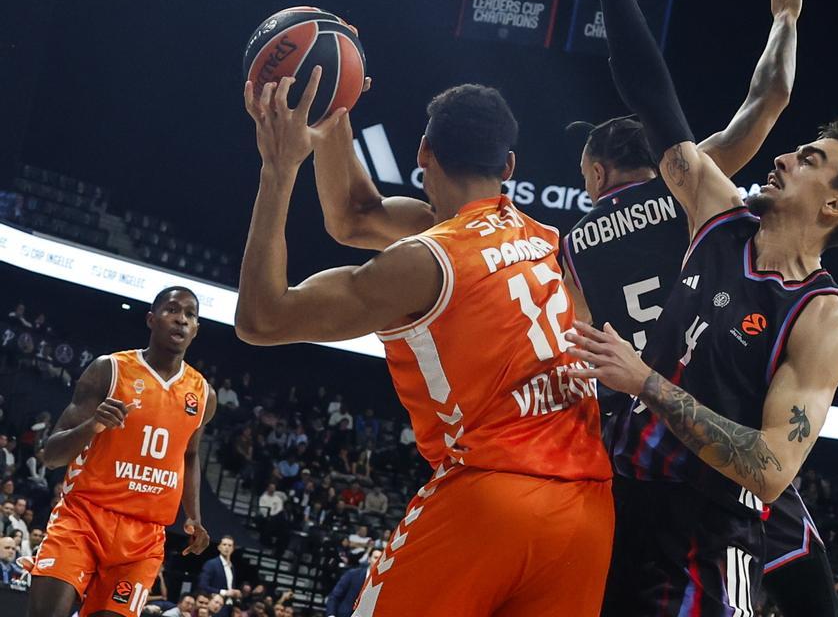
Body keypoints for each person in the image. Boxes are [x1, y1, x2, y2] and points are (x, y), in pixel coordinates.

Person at [551, 0, 838, 616]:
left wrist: (647, 384)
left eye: (810, 160)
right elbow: (652, 93)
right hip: (620, 493)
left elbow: (770, 471)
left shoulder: (822, 318)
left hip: (711, 533)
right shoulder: (716, 217)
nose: (784, 157)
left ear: (836, 205)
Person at [236, 73, 613, 614]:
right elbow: (354, 216)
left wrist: (278, 169)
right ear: (507, 168)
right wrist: (333, 112)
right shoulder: (545, 240)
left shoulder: (426, 260)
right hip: (586, 511)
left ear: (423, 153)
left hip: (490, 495)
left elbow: (260, 319)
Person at [27, 286, 215, 617]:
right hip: (84, 518)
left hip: (143, 539)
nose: (182, 320)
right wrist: (92, 426)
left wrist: (194, 515)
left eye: (190, 315)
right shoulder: (109, 370)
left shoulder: (202, 394)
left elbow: (189, 455)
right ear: (151, 319)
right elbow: (51, 454)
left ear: (197, 329)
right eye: (172, 310)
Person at [326, 549, 382, 617]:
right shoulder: (352, 574)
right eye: (376, 558)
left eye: (381, 558)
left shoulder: (383, 582)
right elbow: (334, 596)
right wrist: (331, 615)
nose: (378, 561)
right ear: (369, 559)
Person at [197, 536, 241, 604]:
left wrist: (234, 593)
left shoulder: (232, 567)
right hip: (214, 603)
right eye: (224, 544)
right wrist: (224, 592)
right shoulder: (211, 564)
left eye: (230, 545)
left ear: (233, 549)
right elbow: (202, 585)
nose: (227, 547)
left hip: (228, 605)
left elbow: (229, 587)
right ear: (219, 547)